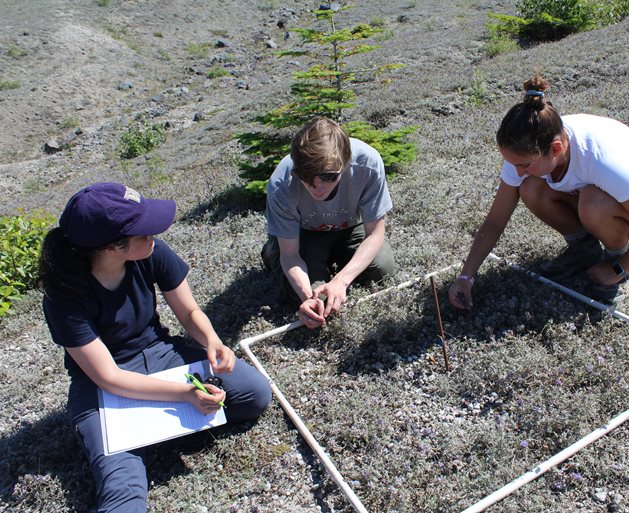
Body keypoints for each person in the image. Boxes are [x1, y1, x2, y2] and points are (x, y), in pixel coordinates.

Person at [39, 182, 272, 513]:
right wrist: (186, 395)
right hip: (102, 388)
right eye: (143, 230)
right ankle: (151, 437)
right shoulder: (64, 296)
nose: (154, 234)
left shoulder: (150, 252)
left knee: (254, 394)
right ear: (111, 247)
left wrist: (212, 341)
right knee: (124, 493)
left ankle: (158, 432)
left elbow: (190, 312)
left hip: (162, 354)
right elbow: (108, 377)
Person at [449, 74, 629, 308]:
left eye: (524, 165)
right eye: (513, 164)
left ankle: (620, 263)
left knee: (593, 202)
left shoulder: (599, 159)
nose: (516, 172)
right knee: (529, 187)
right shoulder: (525, 149)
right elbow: (495, 221)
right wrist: (466, 277)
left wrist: (619, 269)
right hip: (595, 194)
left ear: (556, 148)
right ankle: (585, 253)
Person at [261, 117, 396, 329]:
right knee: (317, 303)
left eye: (328, 176)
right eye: (306, 177)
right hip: (303, 233)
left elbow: (375, 235)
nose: (317, 187)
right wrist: (308, 298)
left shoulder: (367, 163)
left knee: (383, 268)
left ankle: (334, 263)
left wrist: (340, 282)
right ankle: (271, 251)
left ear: (346, 161)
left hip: (351, 227)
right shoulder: (282, 183)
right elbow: (290, 255)